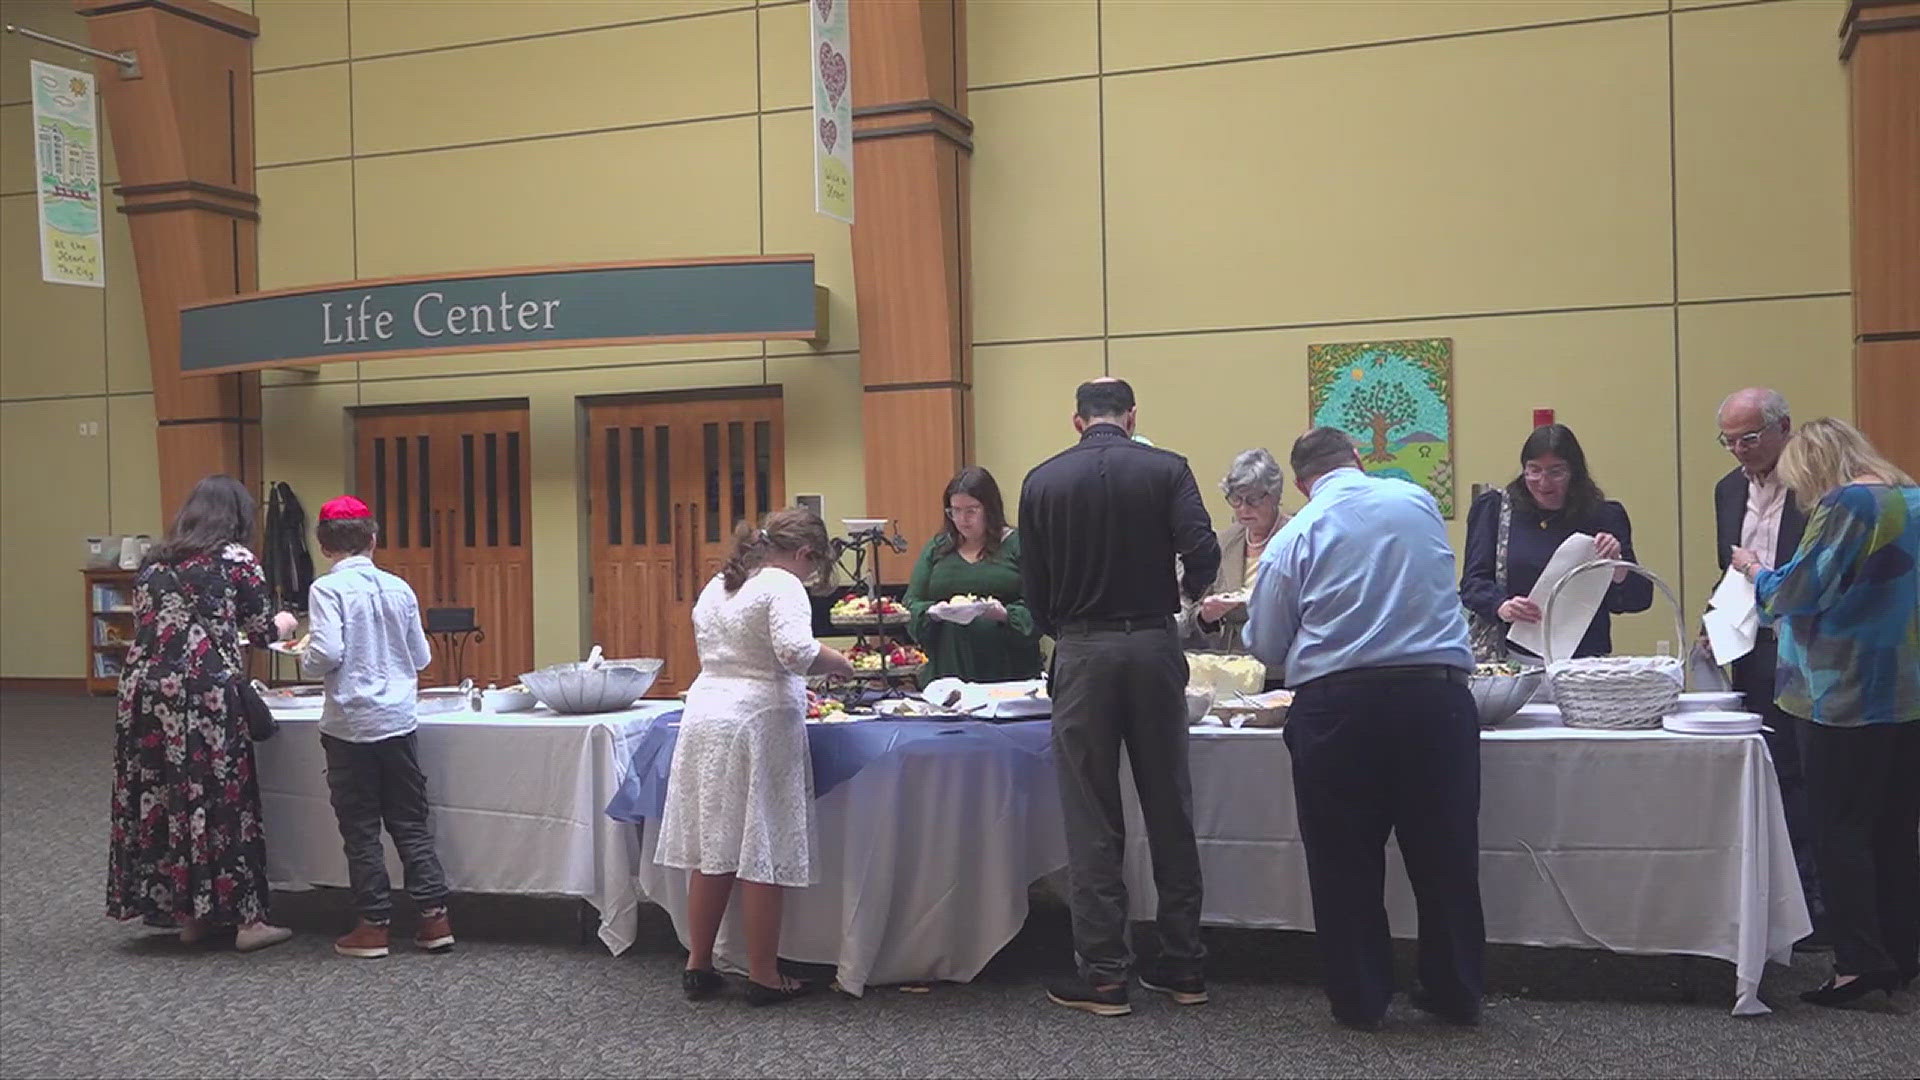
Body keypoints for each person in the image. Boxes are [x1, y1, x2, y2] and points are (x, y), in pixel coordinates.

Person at [1245, 428, 1484, 1031]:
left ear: (1300, 484)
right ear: (1359, 459)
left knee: (1343, 862)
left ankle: (1361, 999)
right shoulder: (1416, 502)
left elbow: (1267, 645)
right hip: (1436, 699)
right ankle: (1455, 990)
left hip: (1338, 709)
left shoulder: (1293, 536)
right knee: (1446, 854)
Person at [1019, 377, 1221, 1017]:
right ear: (1132, 416)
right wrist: (1181, 599)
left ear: (1077, 421)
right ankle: (1185, 965)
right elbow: (1205, 551)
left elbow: (1034, 587)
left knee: (1092, 815)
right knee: (1170, 807)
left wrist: (1067, 629)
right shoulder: (1168, 469)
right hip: (1156, 647)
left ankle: (1105, 974)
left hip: (1082, 651)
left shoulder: (1042, 481)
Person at [1733, 417, 1919, 1008]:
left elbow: (1799, 591)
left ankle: (1858, 963)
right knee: (1894, 829)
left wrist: (1755, 570)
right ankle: (1903, 951)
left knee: (1839, 831)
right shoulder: (1908, 496)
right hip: (1905, 691)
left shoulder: (1847, 504)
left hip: (1841, 693)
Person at [655, 507, 855, 1005]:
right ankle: (764, 974)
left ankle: (698, 964)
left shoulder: (722, 583)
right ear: (805, 554)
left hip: (707, 715)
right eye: (814, 567)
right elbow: (794, 652)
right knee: (761, 846)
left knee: (714, 848)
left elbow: (733, 653)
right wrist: (842, 664)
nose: (810, 577)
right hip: (757, 724)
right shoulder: (782, 585)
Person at [107, 475, 300, 952]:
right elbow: (260, 631)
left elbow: (155, 628)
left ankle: (190, 915)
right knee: (218, 797)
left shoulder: (154, 564)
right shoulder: (235, 560)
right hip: (202, 694)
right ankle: (247, 922)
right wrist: (285, 622)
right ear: (238, 516)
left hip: (144, 692)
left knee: (165, 797)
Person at [299, 495, 451, 960]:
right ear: (374, 539)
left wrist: (303, 658)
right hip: (399, 721)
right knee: (410, 820)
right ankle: (434, 918)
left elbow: (325, 654)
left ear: (324, 547)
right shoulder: (399, 587)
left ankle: (374, 924)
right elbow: (421, 657)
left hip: (350, 725)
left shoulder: (327, 590)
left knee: (361, 826)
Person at [1712, 387, 1821, 946]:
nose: (1738, 450)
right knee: (1766, 768)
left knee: (1806, 772)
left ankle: (1813, 903)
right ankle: (1771, 898)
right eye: (1729, 440)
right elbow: (1730, 573)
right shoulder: (1727, 490)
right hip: (1750, 647)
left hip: (1807, 648)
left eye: (1749, 438)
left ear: (1785, 427)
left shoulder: (1817, 487)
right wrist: (1715, 626)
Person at [1459, 423, 1651, 660]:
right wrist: (1501, 606)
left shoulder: (1604, 515)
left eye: (1556, 471)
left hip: (1583, 661)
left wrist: (1617, 567)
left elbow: (1639, 599)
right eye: (1534, 470)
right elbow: (1472, 584)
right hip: (1512, 657)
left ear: (1575, 472)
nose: (1543, 482)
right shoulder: (1495, 510)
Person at [902, 466, 1044, 682]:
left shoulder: (1018, 545)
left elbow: (1040, 607)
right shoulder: (937, 547)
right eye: (955, 511)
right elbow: (910, 603)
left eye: (971, 510)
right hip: (947, 672)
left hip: (1009, 671)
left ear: (990, 508)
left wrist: (1004, 614)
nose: (962, 519)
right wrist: (934, 612)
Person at [1178, 449, 1290, 660]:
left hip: (1281, 661)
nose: (1243, 509)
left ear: (1275, 495)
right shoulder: (1223, 542)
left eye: (1253, 500)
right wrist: (1206, 616)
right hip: (1233, 664)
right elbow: (1190, 616)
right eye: (1235, 499)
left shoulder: (1295, 538)